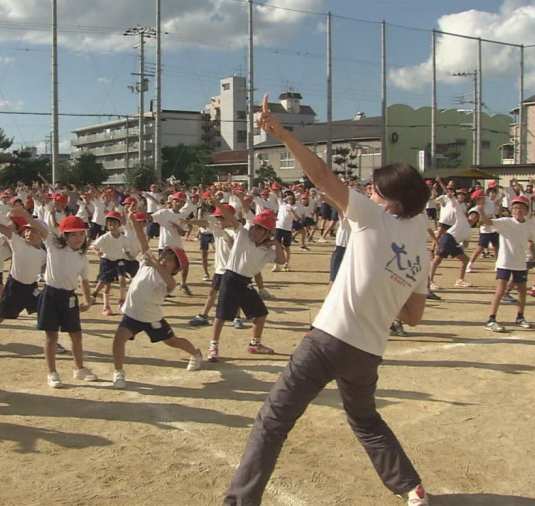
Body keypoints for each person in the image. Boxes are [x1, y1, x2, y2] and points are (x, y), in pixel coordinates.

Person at [223, 95, 430, 506]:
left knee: (273, 421)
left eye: (373, 188)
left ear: (390, 198)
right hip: (369, 351)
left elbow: (321, 176)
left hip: (329, 339)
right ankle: (411, 488)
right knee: (366, 420)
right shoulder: (421, 247)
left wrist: (281, 133)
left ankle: (239, 503)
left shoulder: (373, 217)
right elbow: (414, 315)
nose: (367, 192)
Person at [110, 215, 202, 389]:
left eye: (170, 260)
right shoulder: (147, 263)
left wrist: (157, 265)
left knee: (172, 341)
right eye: (164, 256)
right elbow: (142, 240)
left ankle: (196, 354)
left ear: (175, 269)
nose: (164, 260)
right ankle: (119, 372)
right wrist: (134, 222)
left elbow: (171, 284)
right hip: (132, 315)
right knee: (119, 339)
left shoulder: (166, 280)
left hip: (152, 318)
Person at [206, 201, 286, 362]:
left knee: (261, 314)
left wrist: (277, 244)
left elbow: (281, 261)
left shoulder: (266, 250)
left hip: (245, 283)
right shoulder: (243, 235)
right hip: (230, 279)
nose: (253, 231)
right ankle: (213, 346)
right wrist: (217, 203)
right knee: (221, 315)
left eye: (259, 228)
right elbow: (231, 218)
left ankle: (255, 344)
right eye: (254, 227)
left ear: (267, 233)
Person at [0, 207, 47, 360]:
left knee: (44, 313)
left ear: (41, 235)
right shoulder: (19, 243)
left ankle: (53, 342)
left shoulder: (44, 254)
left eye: (33, 231)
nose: (28, 233)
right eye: (26, 230)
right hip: (15, 287)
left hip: (31, 288)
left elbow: (45, 267)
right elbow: (5, 230)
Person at [36, 214, 97, 388]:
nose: (78, 238)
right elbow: (41, 229)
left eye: (81, 234)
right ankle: (52, 373)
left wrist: (87, 300)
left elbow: (84, 280)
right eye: (73, 234)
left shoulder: (81, 258)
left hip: (70, 297)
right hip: (51, 295)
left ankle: (79, 369)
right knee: (51, 336)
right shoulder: (54, 248)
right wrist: (23, 214)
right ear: (65, 236)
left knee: (76, 335)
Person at [476, 196, 535, 332]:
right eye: (515, 208)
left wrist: (533, 254)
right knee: (501, 290)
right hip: (505, 262)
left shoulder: (530, 225)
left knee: (521, 290)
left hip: (520, 262)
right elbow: (487, 222)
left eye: (521, 208)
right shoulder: (505, 222)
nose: (517, 210)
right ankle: (491, 319)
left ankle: (520, 317)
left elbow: (533, 240)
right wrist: (481, 211)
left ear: (526, 210)